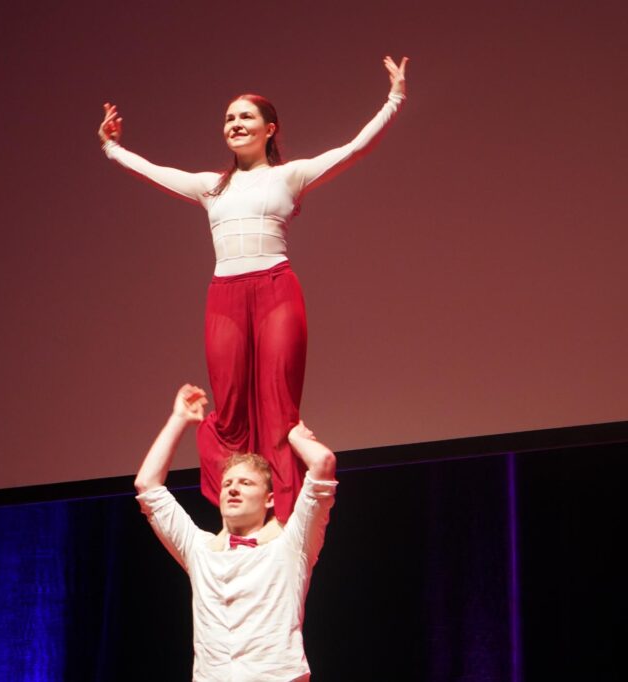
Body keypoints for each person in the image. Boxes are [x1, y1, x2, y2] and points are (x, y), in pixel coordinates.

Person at [101, 57, 407, 523]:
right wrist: (111, 147)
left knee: (279, 406)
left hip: (276, 291)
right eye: (229, 118)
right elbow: (151, 171)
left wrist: (394, 99)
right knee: (228, 410)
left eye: (246, 116)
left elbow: (354, 150)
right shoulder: (210, 187)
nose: (235, 124)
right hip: (225, 296)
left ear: (270, 129)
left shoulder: (289, 176)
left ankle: (284, 515)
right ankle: (241, 511)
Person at [135, 384, 338, 682]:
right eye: (228, 483)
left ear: (269, 499)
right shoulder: (200, 549)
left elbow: (323, 464)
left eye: (246, 483)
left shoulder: (291, 545)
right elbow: (147, 486)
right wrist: (179, 419)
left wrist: (294, 436)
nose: (232, 489)